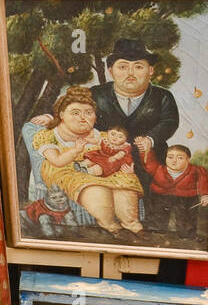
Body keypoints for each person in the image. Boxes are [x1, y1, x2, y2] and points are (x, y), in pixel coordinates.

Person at [31, 87, 144, 234]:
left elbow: (121, 155)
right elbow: (57, 161)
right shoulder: (48, 135)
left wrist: (128, 168)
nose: (82, 117)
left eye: (88, 113)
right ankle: (111, 227)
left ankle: (133, 227)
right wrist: (76, 151)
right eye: (75, 113)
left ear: (95, 117)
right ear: (62, 114)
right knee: (97, 191)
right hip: (67, 169)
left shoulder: (104, 137)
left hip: (107, 168)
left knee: (125, 187)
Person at [90, 39, 180, 182]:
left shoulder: (163, 96)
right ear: (111, 71)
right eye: (123, 67)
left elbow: (170, 121)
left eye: (138, 67)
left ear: (151, 70)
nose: (130, 73)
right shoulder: (96, 94)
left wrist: (151, 139)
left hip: (150, 163)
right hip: (104, 161)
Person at [140, 144, 208, 237]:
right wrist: (147, 151)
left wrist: (205, 195)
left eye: (180, 158)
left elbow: (203, 181)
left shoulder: (196, 170)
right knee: (158, 217)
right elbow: (148, 163)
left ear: (188, 159)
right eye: (170, 157)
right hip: (161, 196)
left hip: (186, 197)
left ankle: (187, 234)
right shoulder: (158, 169)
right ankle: (157, 231)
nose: (174, 161)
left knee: (186, 218)